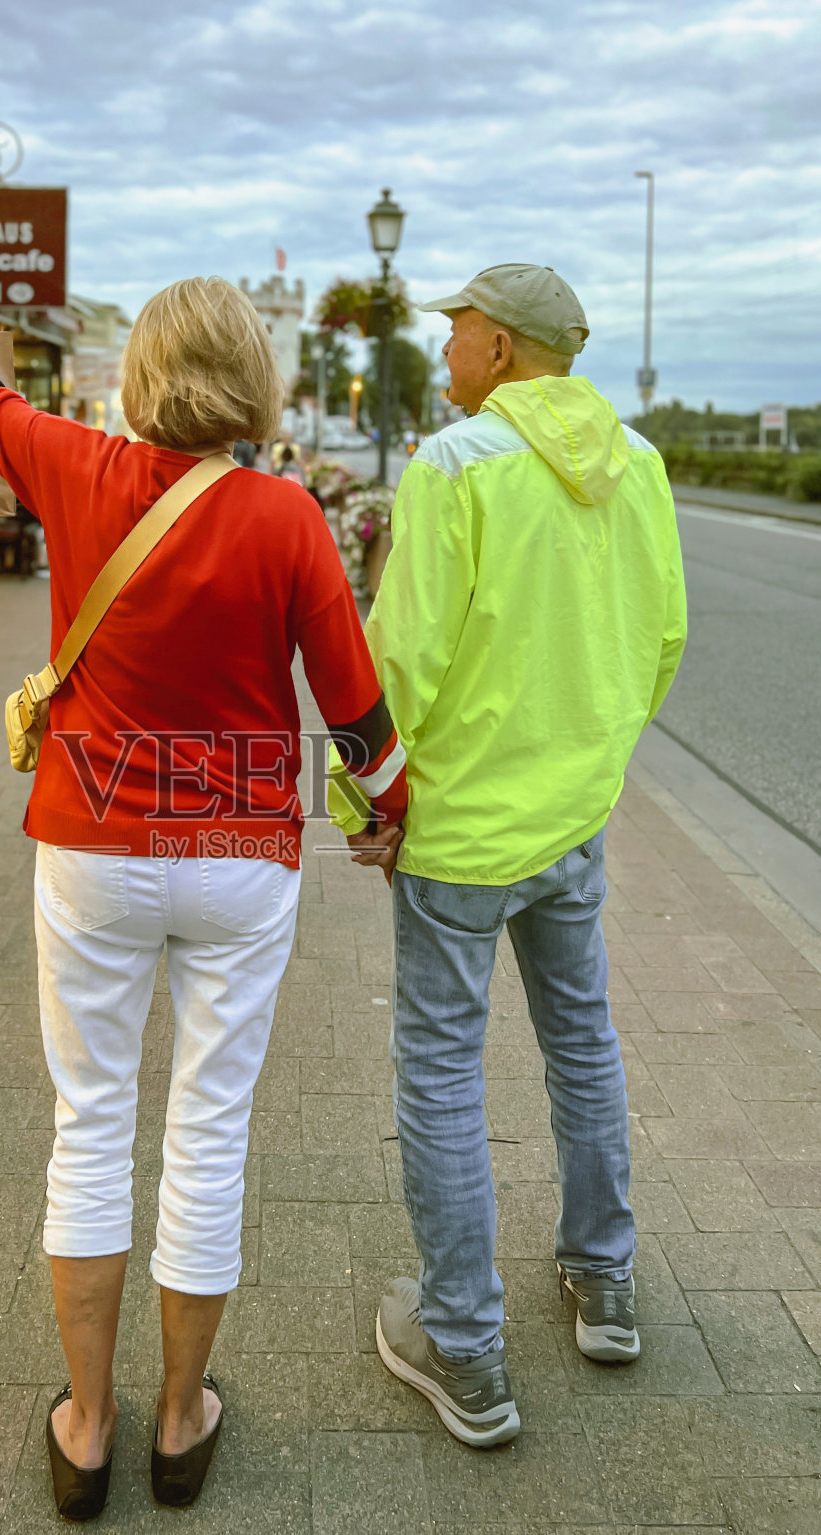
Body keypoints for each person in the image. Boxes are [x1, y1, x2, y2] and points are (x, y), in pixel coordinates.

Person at [0, 245, 407, 1515]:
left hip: (94, 841)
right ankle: (183, 1421)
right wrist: (385, 814)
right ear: (255, 379)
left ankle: (86, 1425)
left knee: (89, 1121)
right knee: (209, 1128)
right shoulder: (288, 515)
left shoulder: (74, 467)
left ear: (137, 378)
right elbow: (354, 708)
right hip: (241, 860)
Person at [330, 263, 687, 1447]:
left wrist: (360, 799)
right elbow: (662, 639)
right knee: (582, 1041)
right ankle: (605, 1283)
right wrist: (593, 764)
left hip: (461, 834)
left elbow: (402, 657)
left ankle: (465, 1348)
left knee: (441, 1072)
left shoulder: (454, 466)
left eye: (457, 333)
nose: (446, 353)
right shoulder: (638, 465)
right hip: (571, 820)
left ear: (500, 345)